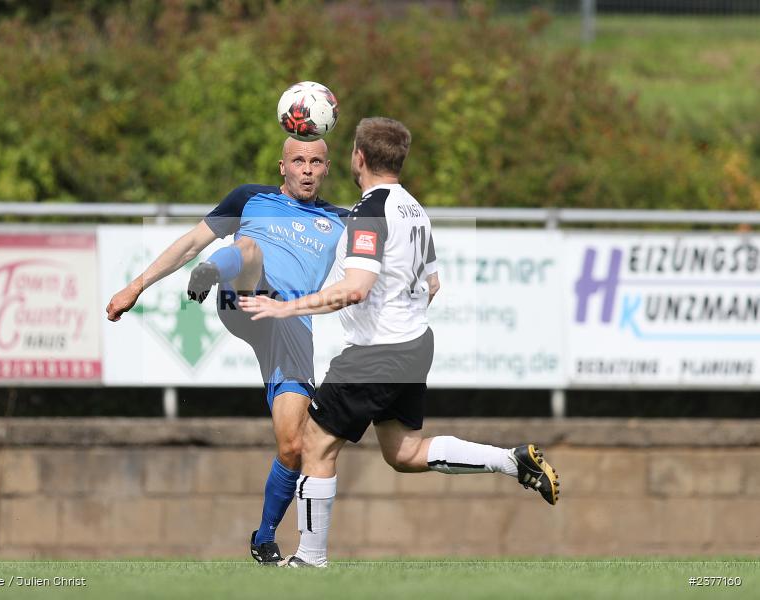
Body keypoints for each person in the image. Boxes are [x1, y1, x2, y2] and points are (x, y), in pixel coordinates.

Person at [240, 117, 560, 568]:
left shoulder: (370, 211)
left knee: (313, 444)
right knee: (405, 452)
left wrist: (284, 308)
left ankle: (310, 560)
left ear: (359, 157)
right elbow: (433, 283)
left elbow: (355, 288)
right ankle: (511, 461)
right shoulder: (414, 209)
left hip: (377, 353)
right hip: (413, 345)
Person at [106, 137, 349, 565]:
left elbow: (381, 254)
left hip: (291, 324)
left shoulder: (341, 219)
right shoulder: (249, 197)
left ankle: (265, 537)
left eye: (315, 162)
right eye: (298, 161)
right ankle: (212, 272)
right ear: (282, 167)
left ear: (327, 168)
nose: (307, 169)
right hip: (244, 297)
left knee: (293, 444)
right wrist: (136, 285)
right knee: (250, 248)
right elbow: (190, 241)